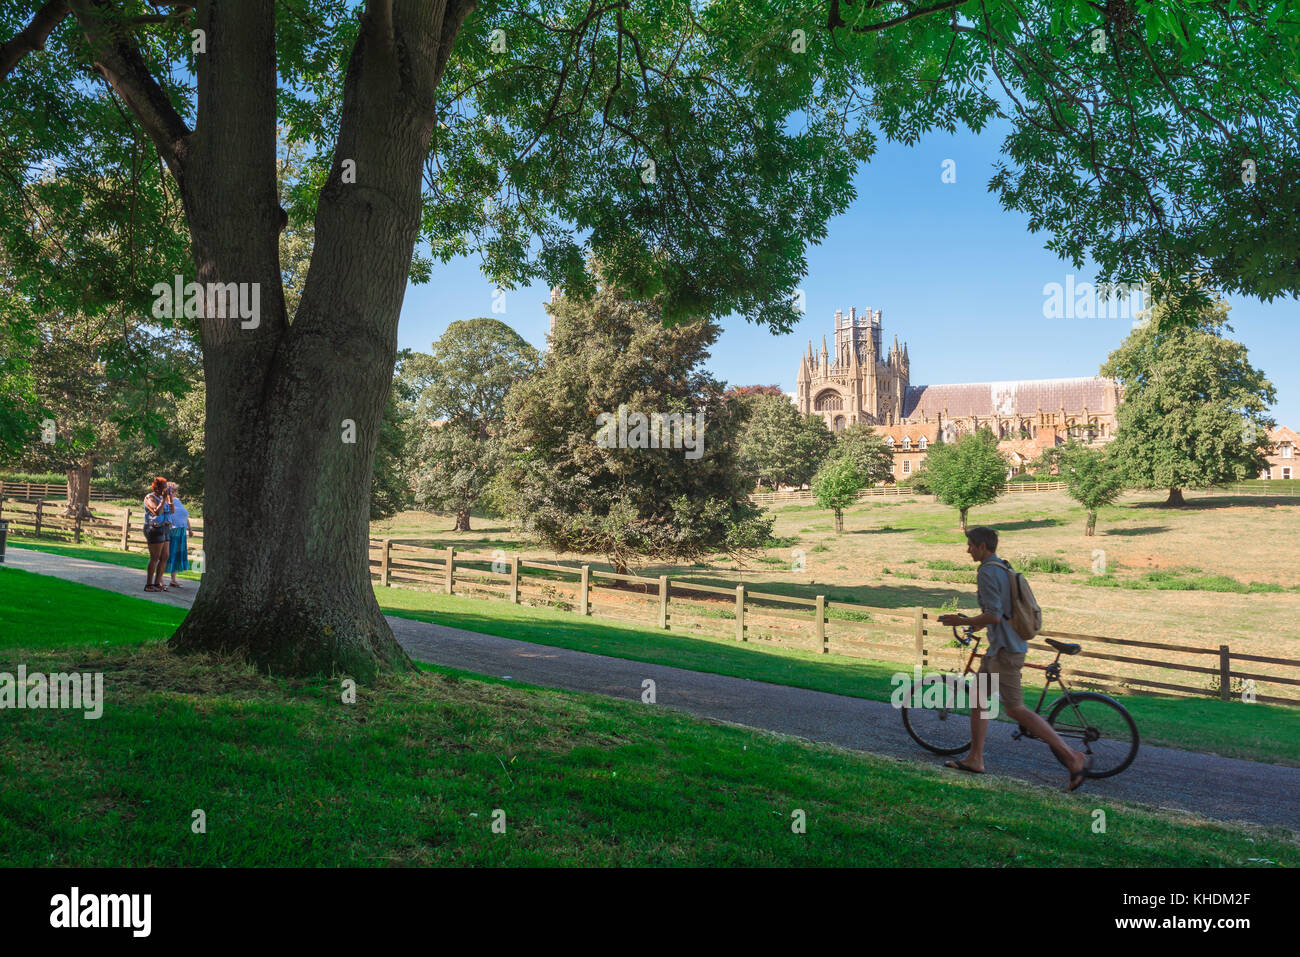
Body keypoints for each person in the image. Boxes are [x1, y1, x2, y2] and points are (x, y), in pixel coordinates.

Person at [937, 526, 1091, 790]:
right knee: (977, 698)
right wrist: (977, 624)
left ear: (983, 547)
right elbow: (1000, 613)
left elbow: (994, 615)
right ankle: (975, 758)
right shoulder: (1004, 568)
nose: (968, 550)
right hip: (999, 649)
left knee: (1015, 709)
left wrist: (963, 620)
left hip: (1006, 653)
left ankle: (1072, 756)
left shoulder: (987, 570)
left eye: (971, 545)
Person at [143, 477, 174, 592]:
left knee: (165, 557)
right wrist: (164, 499)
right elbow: (157, 511)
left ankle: (157, 583)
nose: (166, 488)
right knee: (155, 557)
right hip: (154, 528)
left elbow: (172, 511)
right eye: (164, 486)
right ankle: (149, 585)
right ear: (158, 487)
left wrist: (169, 498)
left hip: (165, 528)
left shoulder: (163, 498)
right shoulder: (149, 497)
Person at [165, 481, 191, 588]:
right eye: (173, 490)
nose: (175, 492)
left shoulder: (178, 501)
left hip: (181, 531)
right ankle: (159, 580)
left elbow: (185, 515)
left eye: (175, 490)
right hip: (171, 531)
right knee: (169, 554)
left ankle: (173, 580)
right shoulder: (165, 502)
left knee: (178, 555)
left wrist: (190, 529)